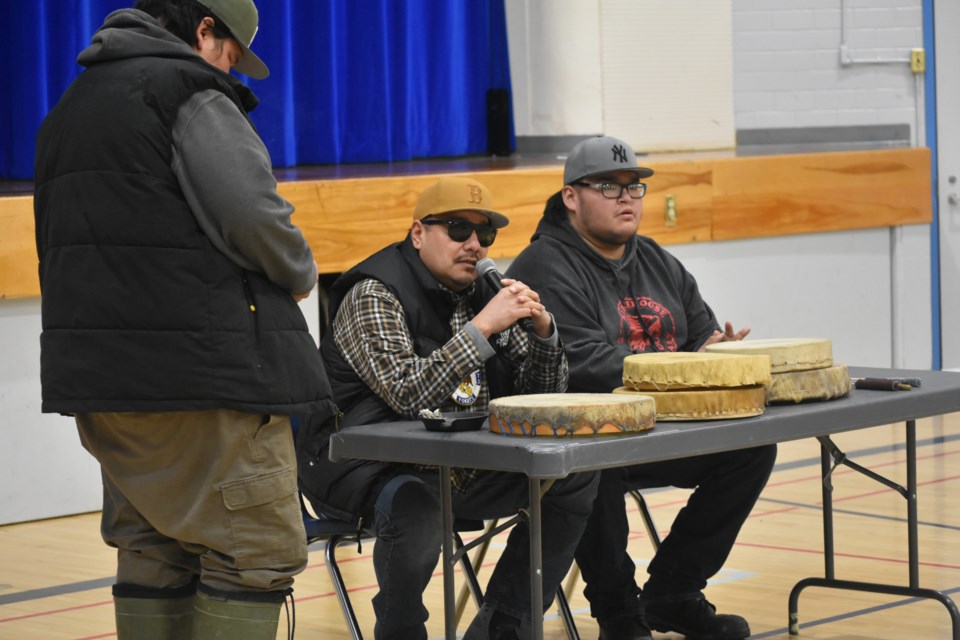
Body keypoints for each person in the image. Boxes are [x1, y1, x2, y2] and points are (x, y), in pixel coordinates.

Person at [33, 2, 337, 638]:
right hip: (208, 377)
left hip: (106, 385)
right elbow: (253, 216)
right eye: (231, 54)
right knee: (256, 554)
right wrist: (302, 273)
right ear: (205, 30)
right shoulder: (187, 91)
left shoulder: (70, 107)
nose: (234, 72)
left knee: (151, 549)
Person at [297, 176, 599, 640]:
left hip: (461, 462)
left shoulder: (486, 293)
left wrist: (544, 336)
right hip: (364, 464)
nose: (474, 245)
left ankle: (505, 626)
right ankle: (401, 630)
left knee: (574, 470)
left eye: (486, 235)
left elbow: (541, 401)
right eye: (458, 229)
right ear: (419, 234)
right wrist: (481, 329)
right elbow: (407, 394)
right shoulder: (374, 293)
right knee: (416, 504)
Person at [507, 136, 777, 640]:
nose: (626, 197)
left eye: (635, 187)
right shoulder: (544, 266)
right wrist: (686, 368)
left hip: (663, 430)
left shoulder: (656, 258)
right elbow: (584, 362)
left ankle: (674, 592)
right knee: (590, 465)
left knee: (752, 447)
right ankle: (619, 614)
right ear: (571, 196)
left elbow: (700, 333)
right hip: (593, 439)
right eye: (609, 186)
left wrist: (716, 351)